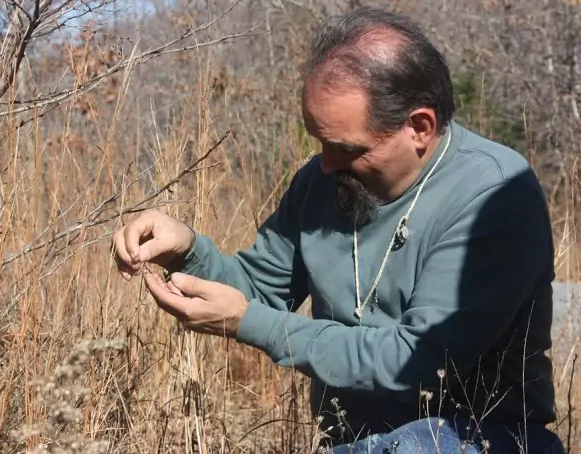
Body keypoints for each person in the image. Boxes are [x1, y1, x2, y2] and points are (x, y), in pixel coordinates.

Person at [112, 7, 566, 454]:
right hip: (351, 441)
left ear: (419, 127)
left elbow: (420, 361)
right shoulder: (323, 180)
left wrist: (253, 324)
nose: (326, 163)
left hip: (479, 437)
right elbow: (257, 292)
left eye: (344, 147)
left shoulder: (495, 193)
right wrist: (186, 250)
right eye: (319, 141)